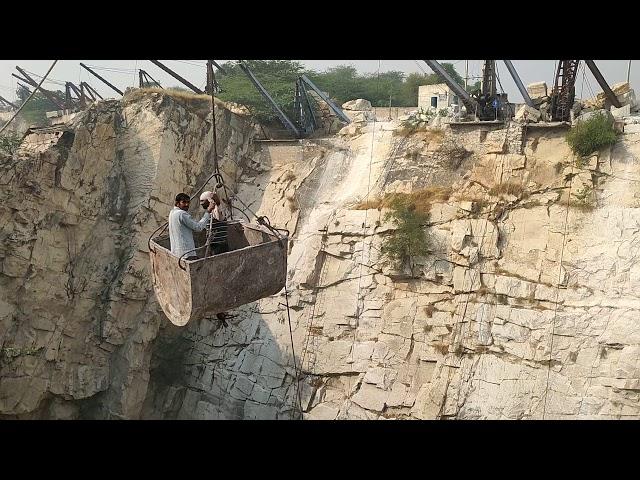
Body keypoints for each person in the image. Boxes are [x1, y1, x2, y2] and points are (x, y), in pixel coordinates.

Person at [168, 192, 215, 260]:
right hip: (186, 254)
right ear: (177, 203)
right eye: (183, 202)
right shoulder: (182, 214)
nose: (187, 204)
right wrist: (208, 211)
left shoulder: (172, 212)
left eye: (188, 202)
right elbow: (198, 227)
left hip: (176, 254)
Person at [199, 190, 230, 256]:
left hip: (219, 246)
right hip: (213, 245)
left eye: (202, 201)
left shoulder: (216, 211)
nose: (201, 203)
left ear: (209, 200)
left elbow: (219, 215)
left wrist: (216, 203)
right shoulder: (209, 212)